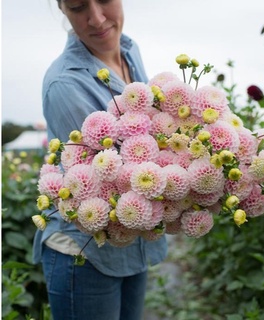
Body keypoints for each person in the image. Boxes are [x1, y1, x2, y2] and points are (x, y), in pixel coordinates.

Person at [32, 1, 168, 319]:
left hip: (132, 240)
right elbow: (105, 178)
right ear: (62, 9)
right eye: (79, 7)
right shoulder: (64, 84)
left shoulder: (129, 50)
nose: (97, 18)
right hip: (87, 255)